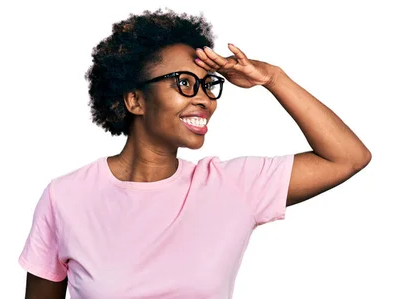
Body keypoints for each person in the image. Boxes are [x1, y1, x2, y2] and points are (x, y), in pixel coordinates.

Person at [19, 9, 371, 299]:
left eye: (208, 84)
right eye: (184, 82)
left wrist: (273, 78)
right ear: (135, 100)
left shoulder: (233, 186)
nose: (204, 98)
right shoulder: (65, 197)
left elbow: (346, 156)